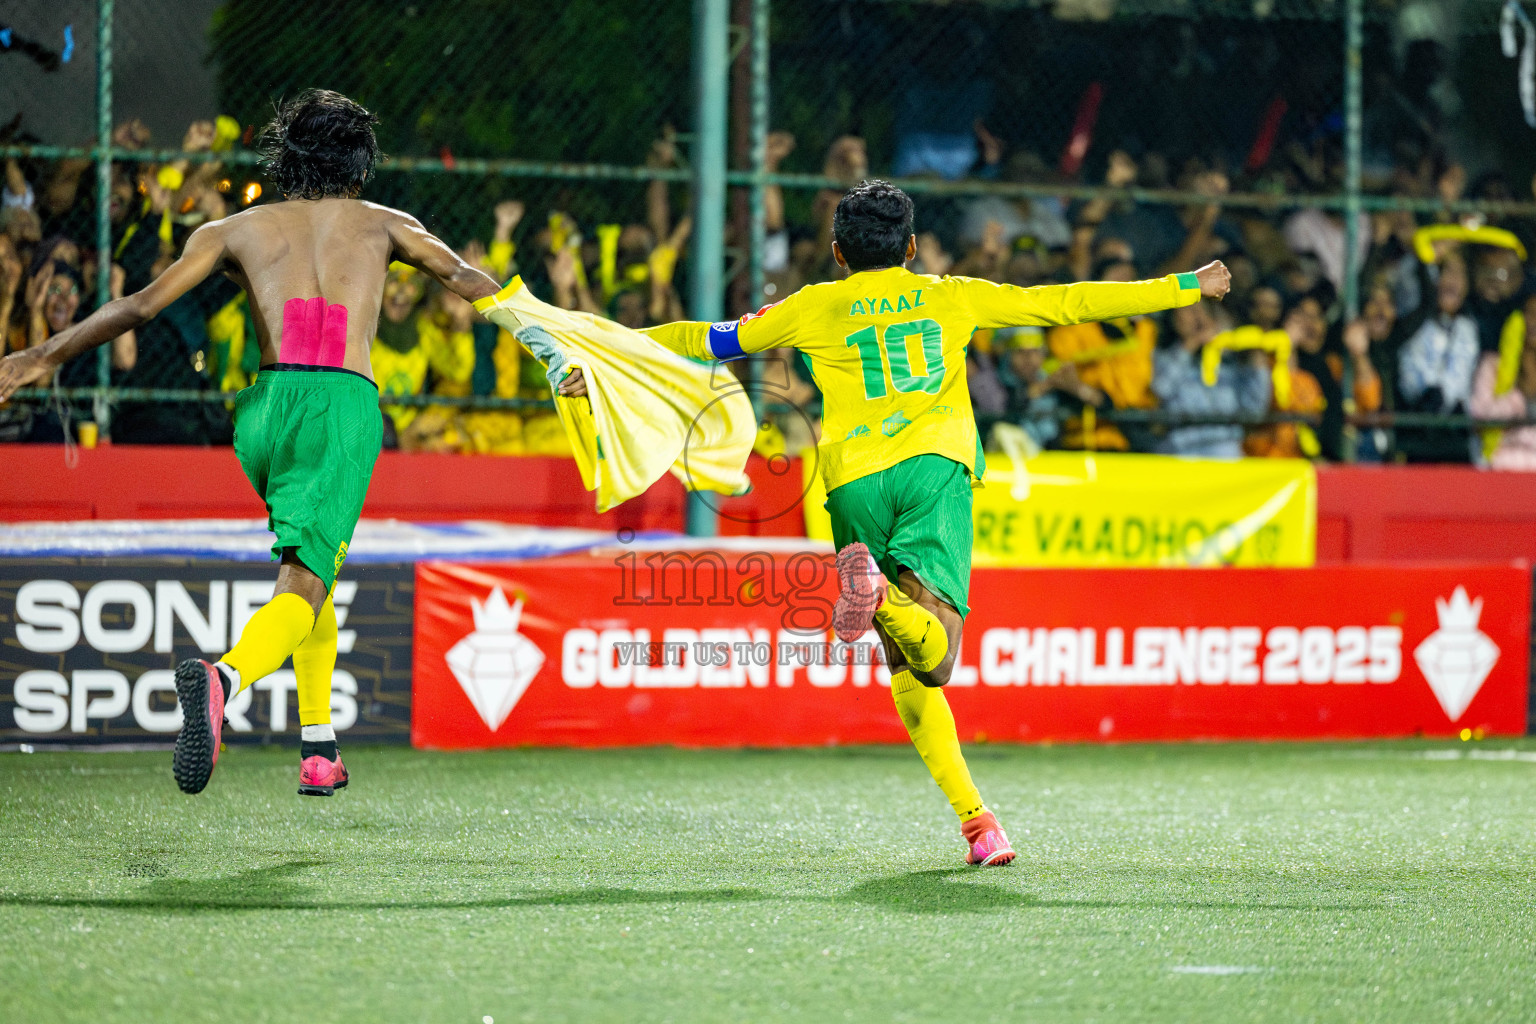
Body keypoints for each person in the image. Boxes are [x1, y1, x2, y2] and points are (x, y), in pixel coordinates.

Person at [631, 180, 1230, 866]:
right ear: (911, 247)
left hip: (851, 479)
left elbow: (705, 340)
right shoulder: (952, 294)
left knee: (908, 667)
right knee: (938, 658)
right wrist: (1189, 282)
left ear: (836, 253)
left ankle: (979, 824)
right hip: (933, 470)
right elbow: (1068, 302)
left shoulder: (811, 306)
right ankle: (882, 601)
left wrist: (606, 355)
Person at [0, 89, 541, 797]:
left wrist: (35, 358)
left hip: (262, 415)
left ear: (286, 159)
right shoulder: (385, 225)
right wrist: (554, 346)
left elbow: (137, 306)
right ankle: (223, 679)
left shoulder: (234, 230)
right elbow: (471, 281)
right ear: (360, 161)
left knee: (309, 568)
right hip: (338, 408)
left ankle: (319, 748)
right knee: (306, 581)